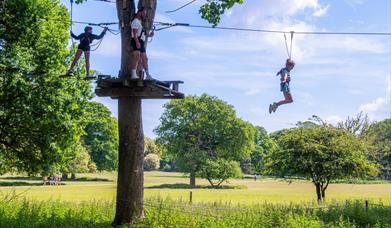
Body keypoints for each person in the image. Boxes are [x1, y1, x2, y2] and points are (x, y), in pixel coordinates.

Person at [130, 7, 154, 80]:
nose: (144, 15)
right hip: (136, 40)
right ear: (140, 12)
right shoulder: (135, 21)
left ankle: (147, 75)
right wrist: (137, 42)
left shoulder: (140, 23)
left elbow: (143, 34)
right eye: (144, 13)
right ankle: (133, 74)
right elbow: (134, 33)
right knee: (136, 57)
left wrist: (150, 35)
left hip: (141, 41)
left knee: (145, 58)